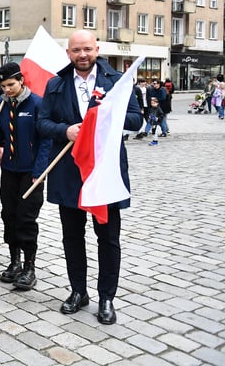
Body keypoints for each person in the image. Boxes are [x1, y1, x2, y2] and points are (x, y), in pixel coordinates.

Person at [37, 30, 142, 325]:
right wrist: (65, 131)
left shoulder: (117, 82)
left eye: (87, 49)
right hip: (69, 172)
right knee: (72, 236)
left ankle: (106, 297)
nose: (82, 55)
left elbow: (137, 119)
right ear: (68, 53)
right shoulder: (56, 84)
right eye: (76, 50)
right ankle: (78, 291)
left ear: (97, 49)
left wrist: (108, 115)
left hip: (104, 172)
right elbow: (43, 123)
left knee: (108, 238)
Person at [0, 62, 50, 290]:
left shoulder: (37, 104)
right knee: (9, 215)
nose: (6, 90)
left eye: (10, 84)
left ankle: (30, 267)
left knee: (26, 219)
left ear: (21, 80)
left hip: (31, 173)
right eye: (2, 86)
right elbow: (1, 131)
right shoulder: (2, 103)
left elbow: (46, 141)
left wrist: (39, 172)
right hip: (9, 169)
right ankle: (14, 261)